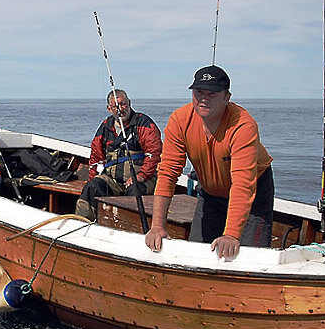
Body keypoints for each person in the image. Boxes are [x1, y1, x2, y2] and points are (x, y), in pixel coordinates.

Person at [146, 66, 274, 259]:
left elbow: (243, 184)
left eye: (212, 93)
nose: (204, 98)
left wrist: (231, 234)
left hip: (253, 193)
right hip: (211, 193)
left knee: (250, 257)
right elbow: (168, 173)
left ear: (226, 97)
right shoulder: (180, 121)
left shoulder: (243, 126)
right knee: (198, 253)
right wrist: (157, 226)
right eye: (199, 92)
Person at [74, 89, 162, 221]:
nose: (120, 109)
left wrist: (141, 176)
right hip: (113, 181)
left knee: (135, 192)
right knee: (92, 187)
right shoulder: (105, 128)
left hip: (142, 179)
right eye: (115, 106)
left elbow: (154, 153)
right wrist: (93, 178)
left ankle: (132, 226)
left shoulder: (143, 123)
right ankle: (83, 223)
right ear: (109, 109)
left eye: (123, 104)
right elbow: (96, 159)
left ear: (129, 103)